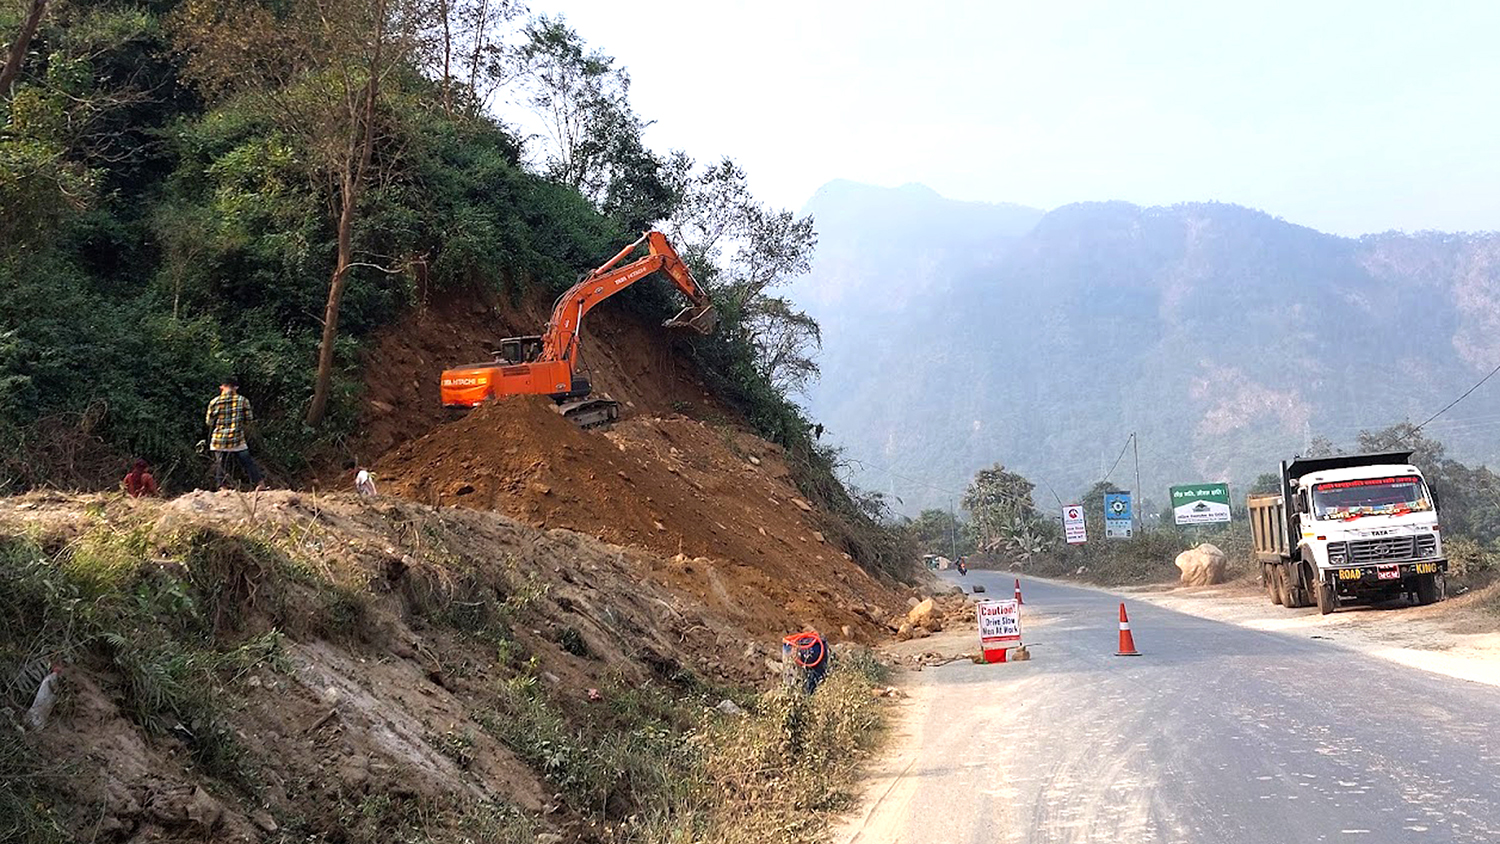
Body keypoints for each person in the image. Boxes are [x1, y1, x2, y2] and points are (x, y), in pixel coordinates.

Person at [205, 378, 264, 490]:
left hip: (219, 440)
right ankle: (260, 484)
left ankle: (222, 488)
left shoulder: (214, 402)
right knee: (248, 462)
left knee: (220, 465)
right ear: (236, 387)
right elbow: (249, 420)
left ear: (221, 387)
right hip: (237, 439)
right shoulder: (243, 401)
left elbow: (209, 422)